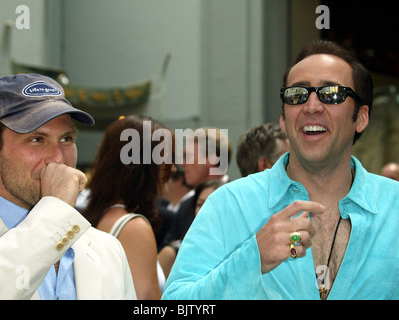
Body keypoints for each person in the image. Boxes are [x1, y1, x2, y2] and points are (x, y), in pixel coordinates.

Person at [162, 40, 399, 300]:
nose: (311, 106)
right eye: (297, 94)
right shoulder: (229, 205)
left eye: (331, 93)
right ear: (284, 119)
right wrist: (252, 259)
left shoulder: (394, 208)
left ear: (362, 117)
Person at [0, 73, 136, 299]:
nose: (58, 158)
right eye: (37, 140)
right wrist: (56, 209)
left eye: (67, 139)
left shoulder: (108, 249)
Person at [82, 115, 174, 299]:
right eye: (166, 157)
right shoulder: (133, 227)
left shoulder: (99, 215)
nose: (172, 168)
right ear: (145, 165)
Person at [160, 127, 232, 248]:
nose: (182, 163)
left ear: (212, 159)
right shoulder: (185, 207)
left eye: (188, 156)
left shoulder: (238, 200)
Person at [158, 179, 225, 279]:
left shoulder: (235, 255)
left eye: (211, 205)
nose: (203, 211)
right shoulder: (175, 252)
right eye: (200, 204)